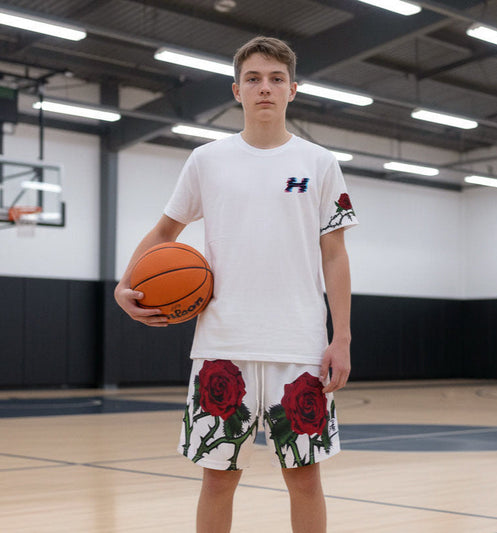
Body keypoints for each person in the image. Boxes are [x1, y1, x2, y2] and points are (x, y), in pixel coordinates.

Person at [115, 36, 358, 533]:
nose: (264, 88)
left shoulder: (319, 163)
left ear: (293, 89)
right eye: (253, 79)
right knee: (218, 480)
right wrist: (124, 284)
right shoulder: (207, 160)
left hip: (301, 347)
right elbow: (165, 232)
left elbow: (334, 254)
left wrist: (341, 338)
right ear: (236, 90)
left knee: (305, 478)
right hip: (222, 345)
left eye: (275, 79)